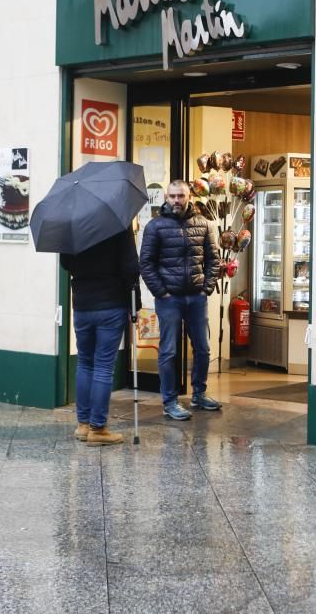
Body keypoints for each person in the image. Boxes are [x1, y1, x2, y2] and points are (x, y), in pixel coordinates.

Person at [139, 179, 222, 421]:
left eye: (181, 196)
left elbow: (213, 259)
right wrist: (161, 292)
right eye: (172, 196)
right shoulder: (155, 226)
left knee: (203, 349)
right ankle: (169, 401)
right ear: (166, 197)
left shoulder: (203, 224)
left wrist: (206, 289)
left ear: (189, 197)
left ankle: (199, 393)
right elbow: (146, 263)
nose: (176, 200)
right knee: (169, 351)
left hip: (196, 297)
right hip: (170, 299)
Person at [61, 229, 139, 446]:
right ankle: (98, 428)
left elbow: (66, 263)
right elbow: (131, 267)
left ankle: (83, 425)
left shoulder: (72, 225)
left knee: (85, 363)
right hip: (110, 303)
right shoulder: (118, 224)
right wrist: (135, 303)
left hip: (82, 304)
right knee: (104, 366)